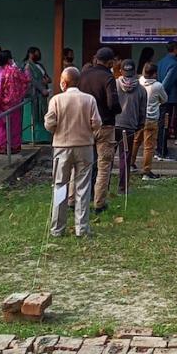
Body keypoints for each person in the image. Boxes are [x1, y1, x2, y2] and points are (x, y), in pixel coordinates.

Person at [45, 67, 101, 238]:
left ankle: (57, 228)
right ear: (78, 81)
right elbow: (97, 123)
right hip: (84, 147)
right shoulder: (89, 99)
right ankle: (82, 228)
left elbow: (49, 123)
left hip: (61, 147)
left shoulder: (56, 99)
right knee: (83, 187)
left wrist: (57, 130)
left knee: (60, 186)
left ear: (64, 82)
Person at [78, 47, 122, 213]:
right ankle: (99, 203)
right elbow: (112, 104)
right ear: (110, 62)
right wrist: (118, 110)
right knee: (104, 165)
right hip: (105, 125)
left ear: (96, 59)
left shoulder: (83, 76)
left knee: (83, 164)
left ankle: (76, 200)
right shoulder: (108, 77)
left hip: (85, 125)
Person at [114, 59, 147, 195]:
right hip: (129, 127)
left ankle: (103, 186)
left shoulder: (114, 85)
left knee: (107, 158)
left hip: (113, 125)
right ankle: (123, 188)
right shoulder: (141, 89)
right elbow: (142, 111)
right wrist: (140, 125)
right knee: (125, 157)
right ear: (134, 71)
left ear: (121, 71)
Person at [133, 63, 167, 180]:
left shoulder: (139, 82)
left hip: (139, 117)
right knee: (149, 146)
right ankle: (146, 171)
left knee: (136, 141)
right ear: (154, 74)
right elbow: (164, 99)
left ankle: (131, 164)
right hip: (151, 118)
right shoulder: (158, 86)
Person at [0, 50, 30, 154]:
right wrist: (26, 70)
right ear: (9, 59)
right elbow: (25, 80)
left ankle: (0, 146)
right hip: (12, 102)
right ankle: (13, 146)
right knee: (13, 125)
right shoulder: (13, 71)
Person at [155, 41, 177, 161]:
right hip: (167, 98)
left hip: (159, 97)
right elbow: (167, 83)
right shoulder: (174, 64)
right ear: (175, 49)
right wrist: (161, 94)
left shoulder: (160, 62)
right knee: (164, 125)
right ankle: (162, 152)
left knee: (161, 124)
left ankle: (160, 150)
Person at [23, 46, 53, 143]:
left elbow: (47, 77)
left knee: (43, 114)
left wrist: (48, 80)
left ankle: (44, 137)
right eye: (37, 53)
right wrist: (42, 88)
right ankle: (33, 138)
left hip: (43, 96)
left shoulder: (40, 65)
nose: (38, 55)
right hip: (34, 94)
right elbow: (32, 80)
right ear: (31, 54)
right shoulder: (27, 66)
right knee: (35, 115)